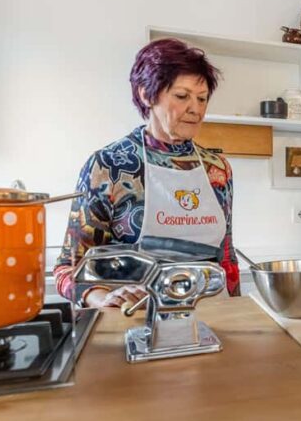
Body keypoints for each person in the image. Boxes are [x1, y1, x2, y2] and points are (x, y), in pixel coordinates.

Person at [54, 38, 240, 308]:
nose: (196, 109)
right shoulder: (109, 167)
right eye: (181, 96)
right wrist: (103, 298)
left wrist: (240, 316)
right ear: (146, 94)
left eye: (202, 99)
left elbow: (227, 259)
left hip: (214, 320)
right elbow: (68, 268)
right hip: (135, 321)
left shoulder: (217, 169)